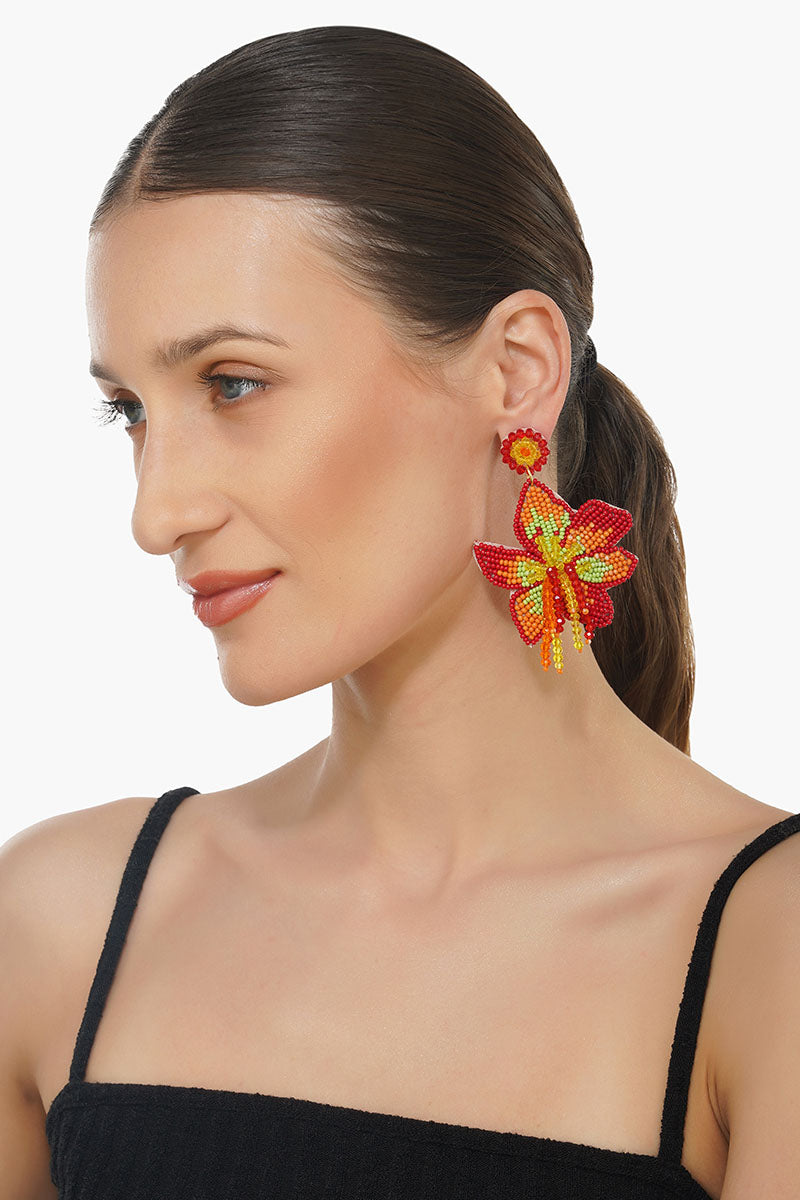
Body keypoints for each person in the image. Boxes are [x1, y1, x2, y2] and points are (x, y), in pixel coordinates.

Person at [1, 25, 797, 1200]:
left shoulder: (763, 957)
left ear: (515, 369)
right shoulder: (58, 924)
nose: (156, 513)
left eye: (233, 383)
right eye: (132, 411)